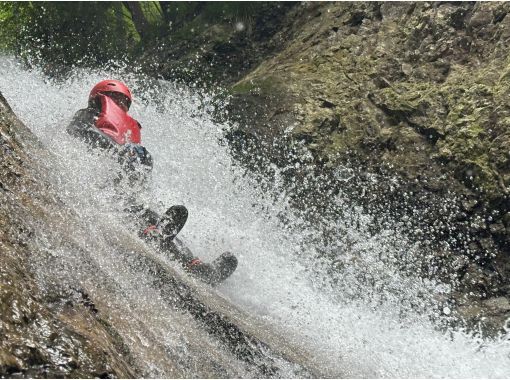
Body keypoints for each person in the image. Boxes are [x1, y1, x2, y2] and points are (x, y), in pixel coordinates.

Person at [67, 79, 236, 285]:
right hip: (94, 186)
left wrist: (139, 161)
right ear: (101, 98)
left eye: (124, 103)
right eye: (117, 100)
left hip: (121, 191)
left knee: (149, 213)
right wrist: (115, 150)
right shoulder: (87, 115)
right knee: (134, 210)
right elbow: (77, 133)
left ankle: (198, 267)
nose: (120, 106)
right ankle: (153, 234)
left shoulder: (128, 137)